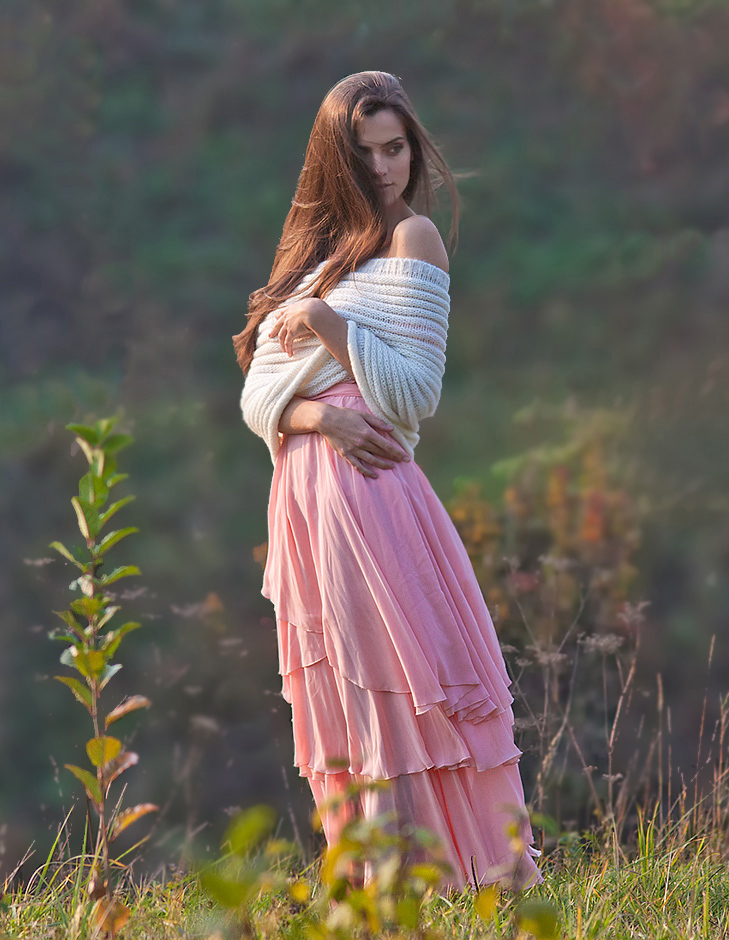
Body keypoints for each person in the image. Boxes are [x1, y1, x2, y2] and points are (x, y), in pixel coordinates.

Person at [234, 71, 541, 891]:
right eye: (364, 152)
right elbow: (256, 396)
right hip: (307, 495)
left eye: (396, 147)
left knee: (398, 690)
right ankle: (373, 883)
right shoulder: (312, 253)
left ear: (414, 148)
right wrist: (316, 417)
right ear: (334, 159)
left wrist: (330, 327)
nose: (384, 167)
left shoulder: (414, 243)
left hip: (368, 492)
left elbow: (413, 395)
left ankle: (436, 879)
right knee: (344, 692)